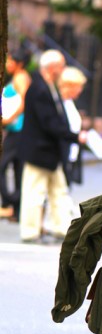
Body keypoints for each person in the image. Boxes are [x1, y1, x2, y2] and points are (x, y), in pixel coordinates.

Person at [18, 49, 88, 244]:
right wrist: (74, 136)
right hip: (39, 151)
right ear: (52, 68)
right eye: (61, 65)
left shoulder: (48, 86)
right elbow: (49, 123)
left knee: (59, 191)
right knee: (34, 193)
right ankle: (30, 231)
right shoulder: (39, 89)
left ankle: (62, 228)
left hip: (49, 151)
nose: (63, 69)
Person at [0, 49, 32, 220]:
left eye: (11, 61)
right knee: (18, 168)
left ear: (19, 63)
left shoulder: (20, 78)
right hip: (18, 129)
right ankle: (18, 209)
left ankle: (9, 202)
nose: (7, 64)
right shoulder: (20, 77)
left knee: (3, 165)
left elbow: (25, 102)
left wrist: (9, 118)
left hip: (18, 129)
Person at [57, 66, 88, 186]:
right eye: (79, 86)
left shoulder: (70, 102)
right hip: (61, 154)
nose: (80, 90)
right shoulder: (59, 103)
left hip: (71, 153)